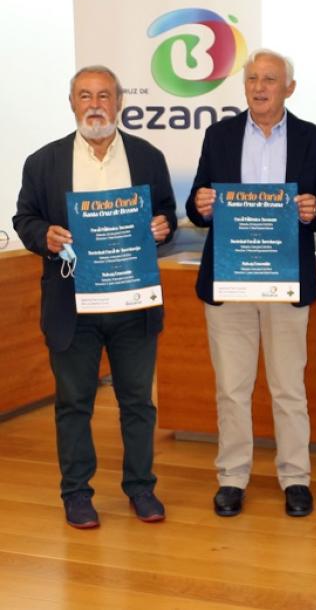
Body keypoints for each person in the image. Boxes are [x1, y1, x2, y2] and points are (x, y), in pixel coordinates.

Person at [13, 65, 177, 528]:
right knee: (73, 404)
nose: (95, 104)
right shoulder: (43, 161)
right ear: (72, 103)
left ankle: (141, 489)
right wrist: (43, 233)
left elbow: (164, 213)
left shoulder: (147, 156)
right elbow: (24, 219)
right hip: (72, 307)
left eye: (104, 95)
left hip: (133, 304)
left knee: (138, 404)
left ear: (119, 102)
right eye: (85, 95)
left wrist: (162, 228)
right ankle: (77, 495)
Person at [186, 48, 316, 518]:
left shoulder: (313, 139)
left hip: (286, 282)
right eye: (252, 78)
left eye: (269, 79)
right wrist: (202, 205)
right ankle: (232, 477)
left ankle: (295, 477)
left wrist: (315, 212)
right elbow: (195, 204)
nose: (259, 87)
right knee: (232, 386)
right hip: (230, 283)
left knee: (288, 386)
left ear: (289, 87)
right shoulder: (220, 135)